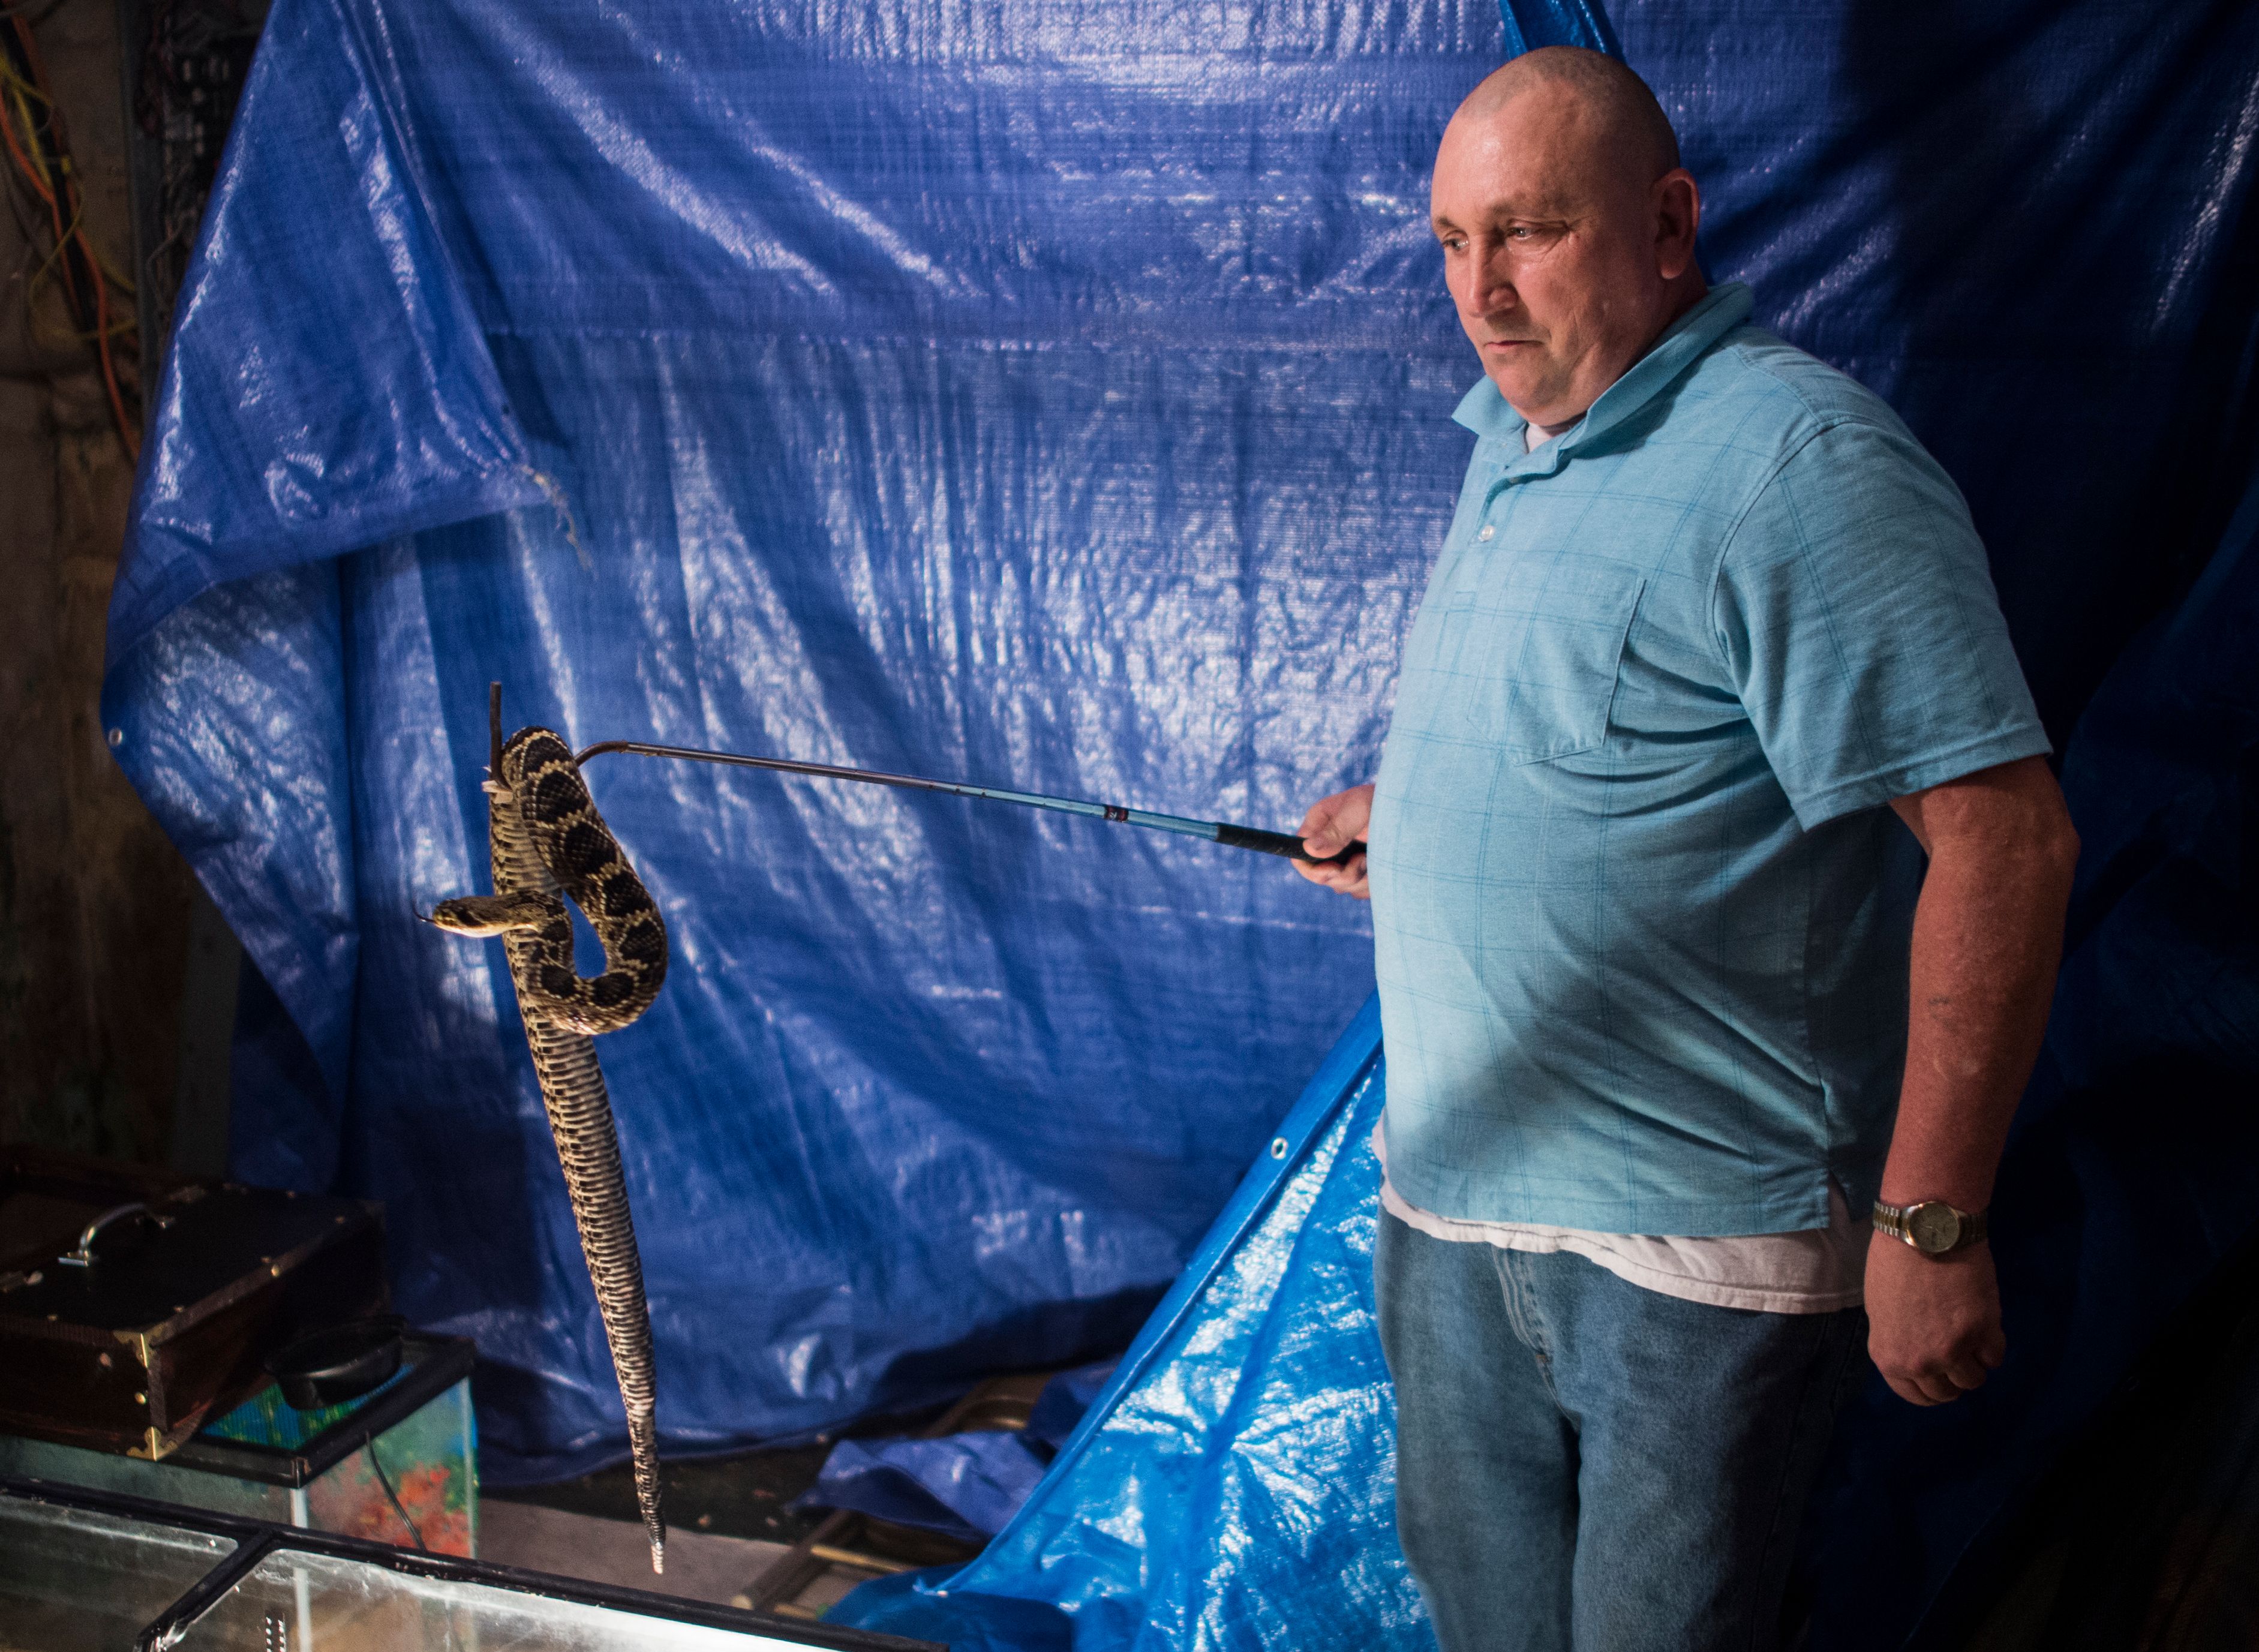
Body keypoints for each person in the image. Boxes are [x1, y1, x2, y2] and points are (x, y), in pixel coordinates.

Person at [1292, 46, 2081, 1652]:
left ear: (1668, 221)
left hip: (1689, 1265)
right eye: (1450, 241)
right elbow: (1614, 727)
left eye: (1526, 232)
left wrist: (1932, 1219)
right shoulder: (1510, 445)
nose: (1482, 294)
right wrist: (1420, 825)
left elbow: (2007, 845)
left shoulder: (1803, 466)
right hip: (1450, 1217)